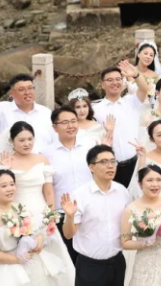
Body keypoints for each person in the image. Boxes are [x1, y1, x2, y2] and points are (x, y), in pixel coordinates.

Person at [0, 122, 77, 273]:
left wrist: (49, 219)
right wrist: (4, 169)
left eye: (30, 139)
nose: (27, 143)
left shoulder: (42, 160)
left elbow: (49, 192)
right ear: (12, 141)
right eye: (21, 140)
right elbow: (1, 192)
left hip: (41, 213)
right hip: (16, 215)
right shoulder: (7, 161)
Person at [0, 169, 74, 285]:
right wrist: (17, 259)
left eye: (12, 184)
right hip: (7, 271)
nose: (10, 188)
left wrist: (39, 239)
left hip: (33, 264)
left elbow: (37, 230)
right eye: (4, 186)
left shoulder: (20, 207)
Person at [44, 106, 111, 264]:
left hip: (91, 212)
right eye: (65, 122)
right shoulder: (46, 154)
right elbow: (47, 189)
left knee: (94, 260)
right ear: (54, 127)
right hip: (63, 215)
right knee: (68, 262)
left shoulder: (91, 146)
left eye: (73, 121)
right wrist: (50, 216)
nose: (71, 126)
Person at [61, 145, 132, 286]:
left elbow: (127, 225)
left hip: (117, 263)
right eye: (104, 162)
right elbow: (68, 234)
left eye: (113, 161)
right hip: (90, 266)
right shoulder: (79, 195)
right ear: (91, 167)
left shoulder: (122, 192)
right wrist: (69, 216)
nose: (110, 166)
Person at [0, 67, 55, 161]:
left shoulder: (46, 113)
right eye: (21, 89)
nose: (27, 92)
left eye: (30, 88)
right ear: (12, 93)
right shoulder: (3, 109)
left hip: (41, 165)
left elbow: (55, 141)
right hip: (11, 165)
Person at [92, 63, 150, 188]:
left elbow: (144, 89)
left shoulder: (132, 102)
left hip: (133, 163)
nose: (115, 83)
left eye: (118, 79)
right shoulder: (95, 110)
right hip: (109, 166)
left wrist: (136, 75)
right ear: (102, 84)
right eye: (110, 80)